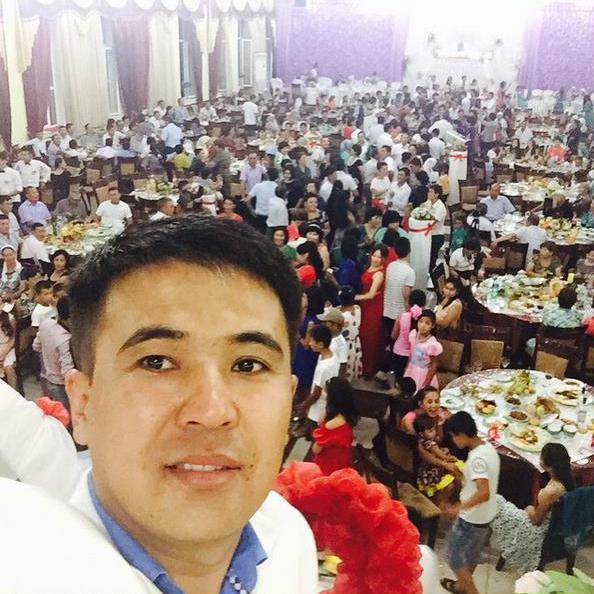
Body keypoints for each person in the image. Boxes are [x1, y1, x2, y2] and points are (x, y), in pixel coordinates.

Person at [0, 216, 318, 593]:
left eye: (248, 365)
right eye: (157, 362)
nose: (212, 412)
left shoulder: (289, 539)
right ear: (83, 405)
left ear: (289, 400)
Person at [442, 412, 501, 594]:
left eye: (453, 436)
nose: (453, 441)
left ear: (461, 434)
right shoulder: (487, 448)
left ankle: (471, 591)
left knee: (454, 558)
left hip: (472, 518)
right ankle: (461, 586)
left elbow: (483, 492)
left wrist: (457, 508)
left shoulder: (477, 460)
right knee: (471, 555)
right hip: (486, 514)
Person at [491, 443, 573, 572]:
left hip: (543, 530)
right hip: (558, 524)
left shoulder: (551, 491)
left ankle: (483, 536)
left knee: (496, 502)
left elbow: (536, 520)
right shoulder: (568, 479)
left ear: (548, 465)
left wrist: (528, 508)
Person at [32, 295, 74, 412]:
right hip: (61, 385)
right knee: (66, 416)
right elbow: (67, 371)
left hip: (47, 378)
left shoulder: (45, 324)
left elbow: (36, 346)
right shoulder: (65, 339)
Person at [312, 377, 358, 475]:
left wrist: (321, 427)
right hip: (343, 461)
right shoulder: (348, 416)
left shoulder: (331, 425)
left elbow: (316, 450)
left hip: (328, 466)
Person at [414, 414, 463, 503]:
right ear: (421, 433)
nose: (434, 432)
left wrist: (439, 425)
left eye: (434, 429)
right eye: (430, 431)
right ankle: (443, 500)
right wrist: (448, 457)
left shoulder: (423, 440)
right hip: (432, 470)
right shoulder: (429, 444)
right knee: (453, 475)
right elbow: (440, 454)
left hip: (430, 466)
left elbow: (439, 440)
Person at [355, 245, 388, 376]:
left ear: (383, 259)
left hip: (372, 307)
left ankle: (368, 368)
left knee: (369, 336)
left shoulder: (379, 274)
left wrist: (354, 297)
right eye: (374, 255)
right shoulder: (369, 267)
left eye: (379, 257)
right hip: (365, 305)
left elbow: (371, 294)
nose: (376, 259)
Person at [301, 324, 340, 428]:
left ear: (321, 344)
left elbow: (316, 393)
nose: (309, 343)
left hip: (319, 410)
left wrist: (304, 405)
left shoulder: (324, 367)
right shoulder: (330, 357)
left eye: (312, 341)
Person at [383, 237, 415, 336]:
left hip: (386, 311)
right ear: (409, 251)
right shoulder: (410, 271)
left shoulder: (390, 266)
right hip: (400, 314)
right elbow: (407, 295)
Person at [404, 310, 442, 390]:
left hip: (422, 374)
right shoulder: (413, 334)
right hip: (411, 369)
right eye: (420, 321)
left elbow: (434, 365)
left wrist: (426, 383)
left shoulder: (432, 344)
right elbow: (411, 355)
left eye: (427, 323)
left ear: (432, 325)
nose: (423, 325)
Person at [391, 290, 426, 376]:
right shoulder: (424, 321)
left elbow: (394, 335)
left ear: (409, 302)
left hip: (399, 352)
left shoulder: (402, 316)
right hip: (417, 354)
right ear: (424, 303)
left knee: (399, 376)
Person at [338, 286, 362, 381]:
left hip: (343, 344)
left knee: (342, 369)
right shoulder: (357, 310)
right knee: (350, 366)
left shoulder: (341, 316)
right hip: (355, 342)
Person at [317, 307, 347, 378]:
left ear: (335, 325)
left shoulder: (340, 343)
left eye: (326, 323)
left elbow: (343, 364)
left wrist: (338, 381)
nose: (323, 324)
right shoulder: (328, 337)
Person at [426, 184, 447, 271]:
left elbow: (433, 222)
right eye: (429, 191)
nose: (428, 193)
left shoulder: (440, 207)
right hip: (428, 234)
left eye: (431, 192)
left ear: (437, 194)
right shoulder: (428, 203)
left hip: (436, 235)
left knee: (432, 258)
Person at [0, 300, 16, 388]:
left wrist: (3, 354)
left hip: (9, 347)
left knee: (8, 367)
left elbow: (13, 339)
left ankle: (14, 392)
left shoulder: (10, 318)